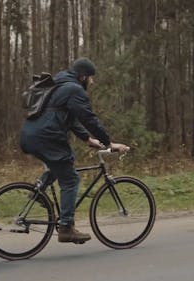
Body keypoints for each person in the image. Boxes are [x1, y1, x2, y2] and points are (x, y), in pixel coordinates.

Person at [19, 57, 129, 244]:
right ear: (83, 76)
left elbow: (69, 119)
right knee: (70, 179)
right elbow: (89, 119)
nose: (92, 82)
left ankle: (39, 190)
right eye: (91, 78)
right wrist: (109, 143)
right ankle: (66, 227)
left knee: (64, 161)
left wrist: (88, 139)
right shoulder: (74, 89)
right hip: (47, 137)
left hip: (30, 136)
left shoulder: (59, 85)